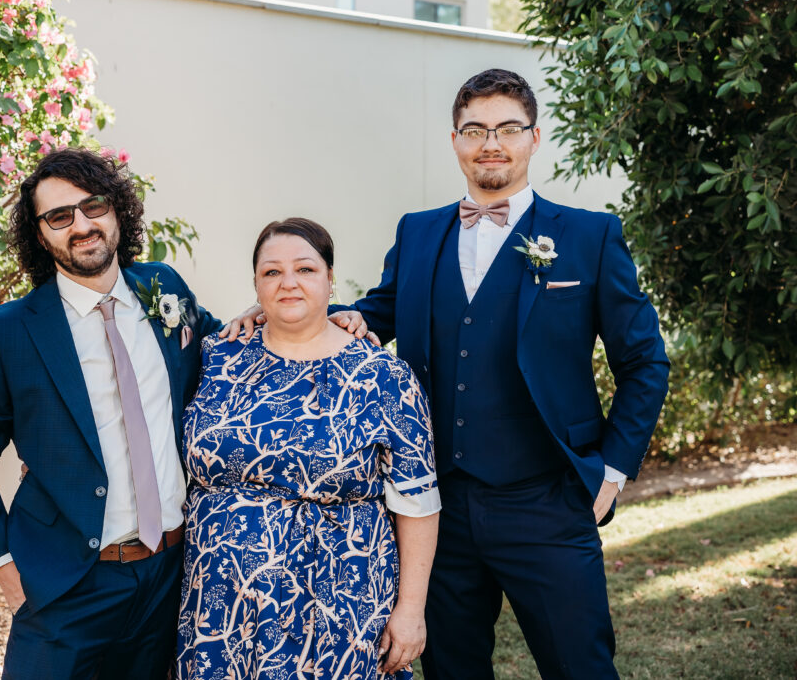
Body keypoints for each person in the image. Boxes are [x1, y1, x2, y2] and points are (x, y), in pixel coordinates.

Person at [244, 69, 671, 678]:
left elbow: (645, 362)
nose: (489, 142)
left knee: (581, 667)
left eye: (506, 129)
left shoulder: (589, 236)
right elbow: (376, 313)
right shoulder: (419, 232)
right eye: (474, 129)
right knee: (452, 670)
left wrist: (612, 470)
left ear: (533, 138)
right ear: (454, 141)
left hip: (547, 499)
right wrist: (279, 309)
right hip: (435, 510)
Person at [0, 147, 222, 679]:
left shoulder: (165, 290)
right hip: (65, 584)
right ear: (40, 234)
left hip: (170, 574)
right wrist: (4, 570)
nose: (82, 225)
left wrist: (329, 323)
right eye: (59, 216)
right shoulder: (7, 332)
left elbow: (232, 346)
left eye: (92, 206)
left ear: (117, 210)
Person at [176, 218, 440, 679]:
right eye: (272, 272)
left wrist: (411, 610)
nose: (288, 282)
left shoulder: (382, 376)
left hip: (340, 600)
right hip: (221, 602)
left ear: (330, 278)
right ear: (255, 284)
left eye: (305, 269)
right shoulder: (218, 356)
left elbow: (417, 502)